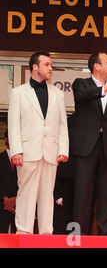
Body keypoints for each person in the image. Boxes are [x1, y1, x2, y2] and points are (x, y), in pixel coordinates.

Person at [8, 51, 69, 234]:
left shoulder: (58, 93)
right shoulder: (18, 93)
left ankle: (46, 234)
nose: (51, 68)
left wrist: (63, 149)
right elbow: (13, 124)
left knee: (47, 196)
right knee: (26, 194)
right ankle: (24, 233)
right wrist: (16, 151)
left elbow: (62, 124)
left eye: (51, 65)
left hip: (50, 151)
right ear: (35, 67)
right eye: (47, 64)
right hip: (27, 151)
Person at [71, 52, 107, 235]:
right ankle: (78, 238)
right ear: (96, 66)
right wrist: (105, 89)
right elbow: (82, 97)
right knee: (83, 197)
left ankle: (106, 239)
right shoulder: (81, 83)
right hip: (86, 149)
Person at [0, 130, 18, 233]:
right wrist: (6, 200)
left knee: (20, 236)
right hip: (2, 204)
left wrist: (16, 199)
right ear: (6, 139)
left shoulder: (24, 160)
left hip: (19, 204)